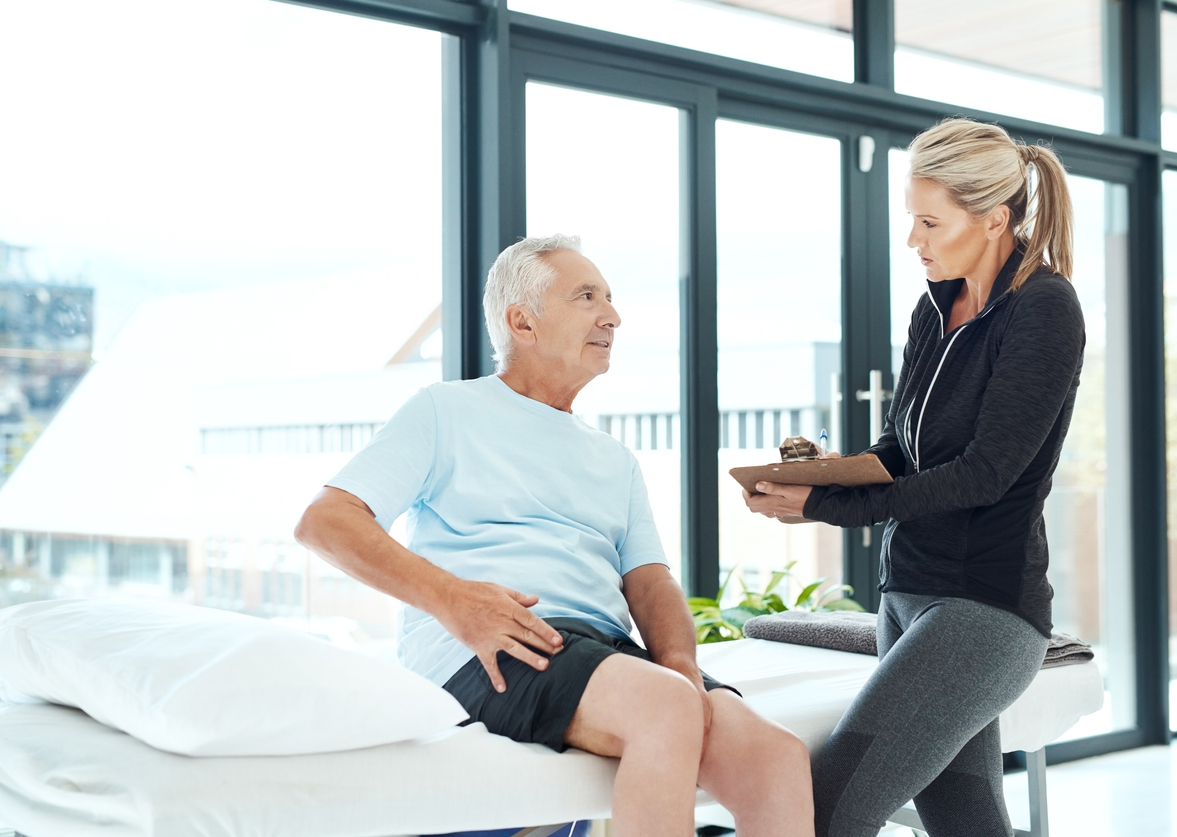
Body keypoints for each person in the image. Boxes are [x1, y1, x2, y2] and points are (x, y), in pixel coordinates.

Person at [295, 234, 812, 837]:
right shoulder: (445, 410)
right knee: (663, 707)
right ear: (523, 322)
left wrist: (678, 663)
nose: (612, 316)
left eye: (612, 299)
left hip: (606, 652)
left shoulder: (614, 459)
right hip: (495, 643)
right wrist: (454, 601)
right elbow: (325, 522)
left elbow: (649, 580)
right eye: (586, 296)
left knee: (777, 758)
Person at [745, 118, 1085, 837]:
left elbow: (986, 474)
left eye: (930, 221)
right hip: (905, 599)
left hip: (982, 611)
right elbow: (901, 449)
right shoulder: (933, 312)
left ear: (995, 219)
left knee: (825, 811)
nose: (914, 240)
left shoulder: (1043, 309)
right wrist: (813, 486)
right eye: (913, 219)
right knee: (966, 821)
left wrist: (830, 510)